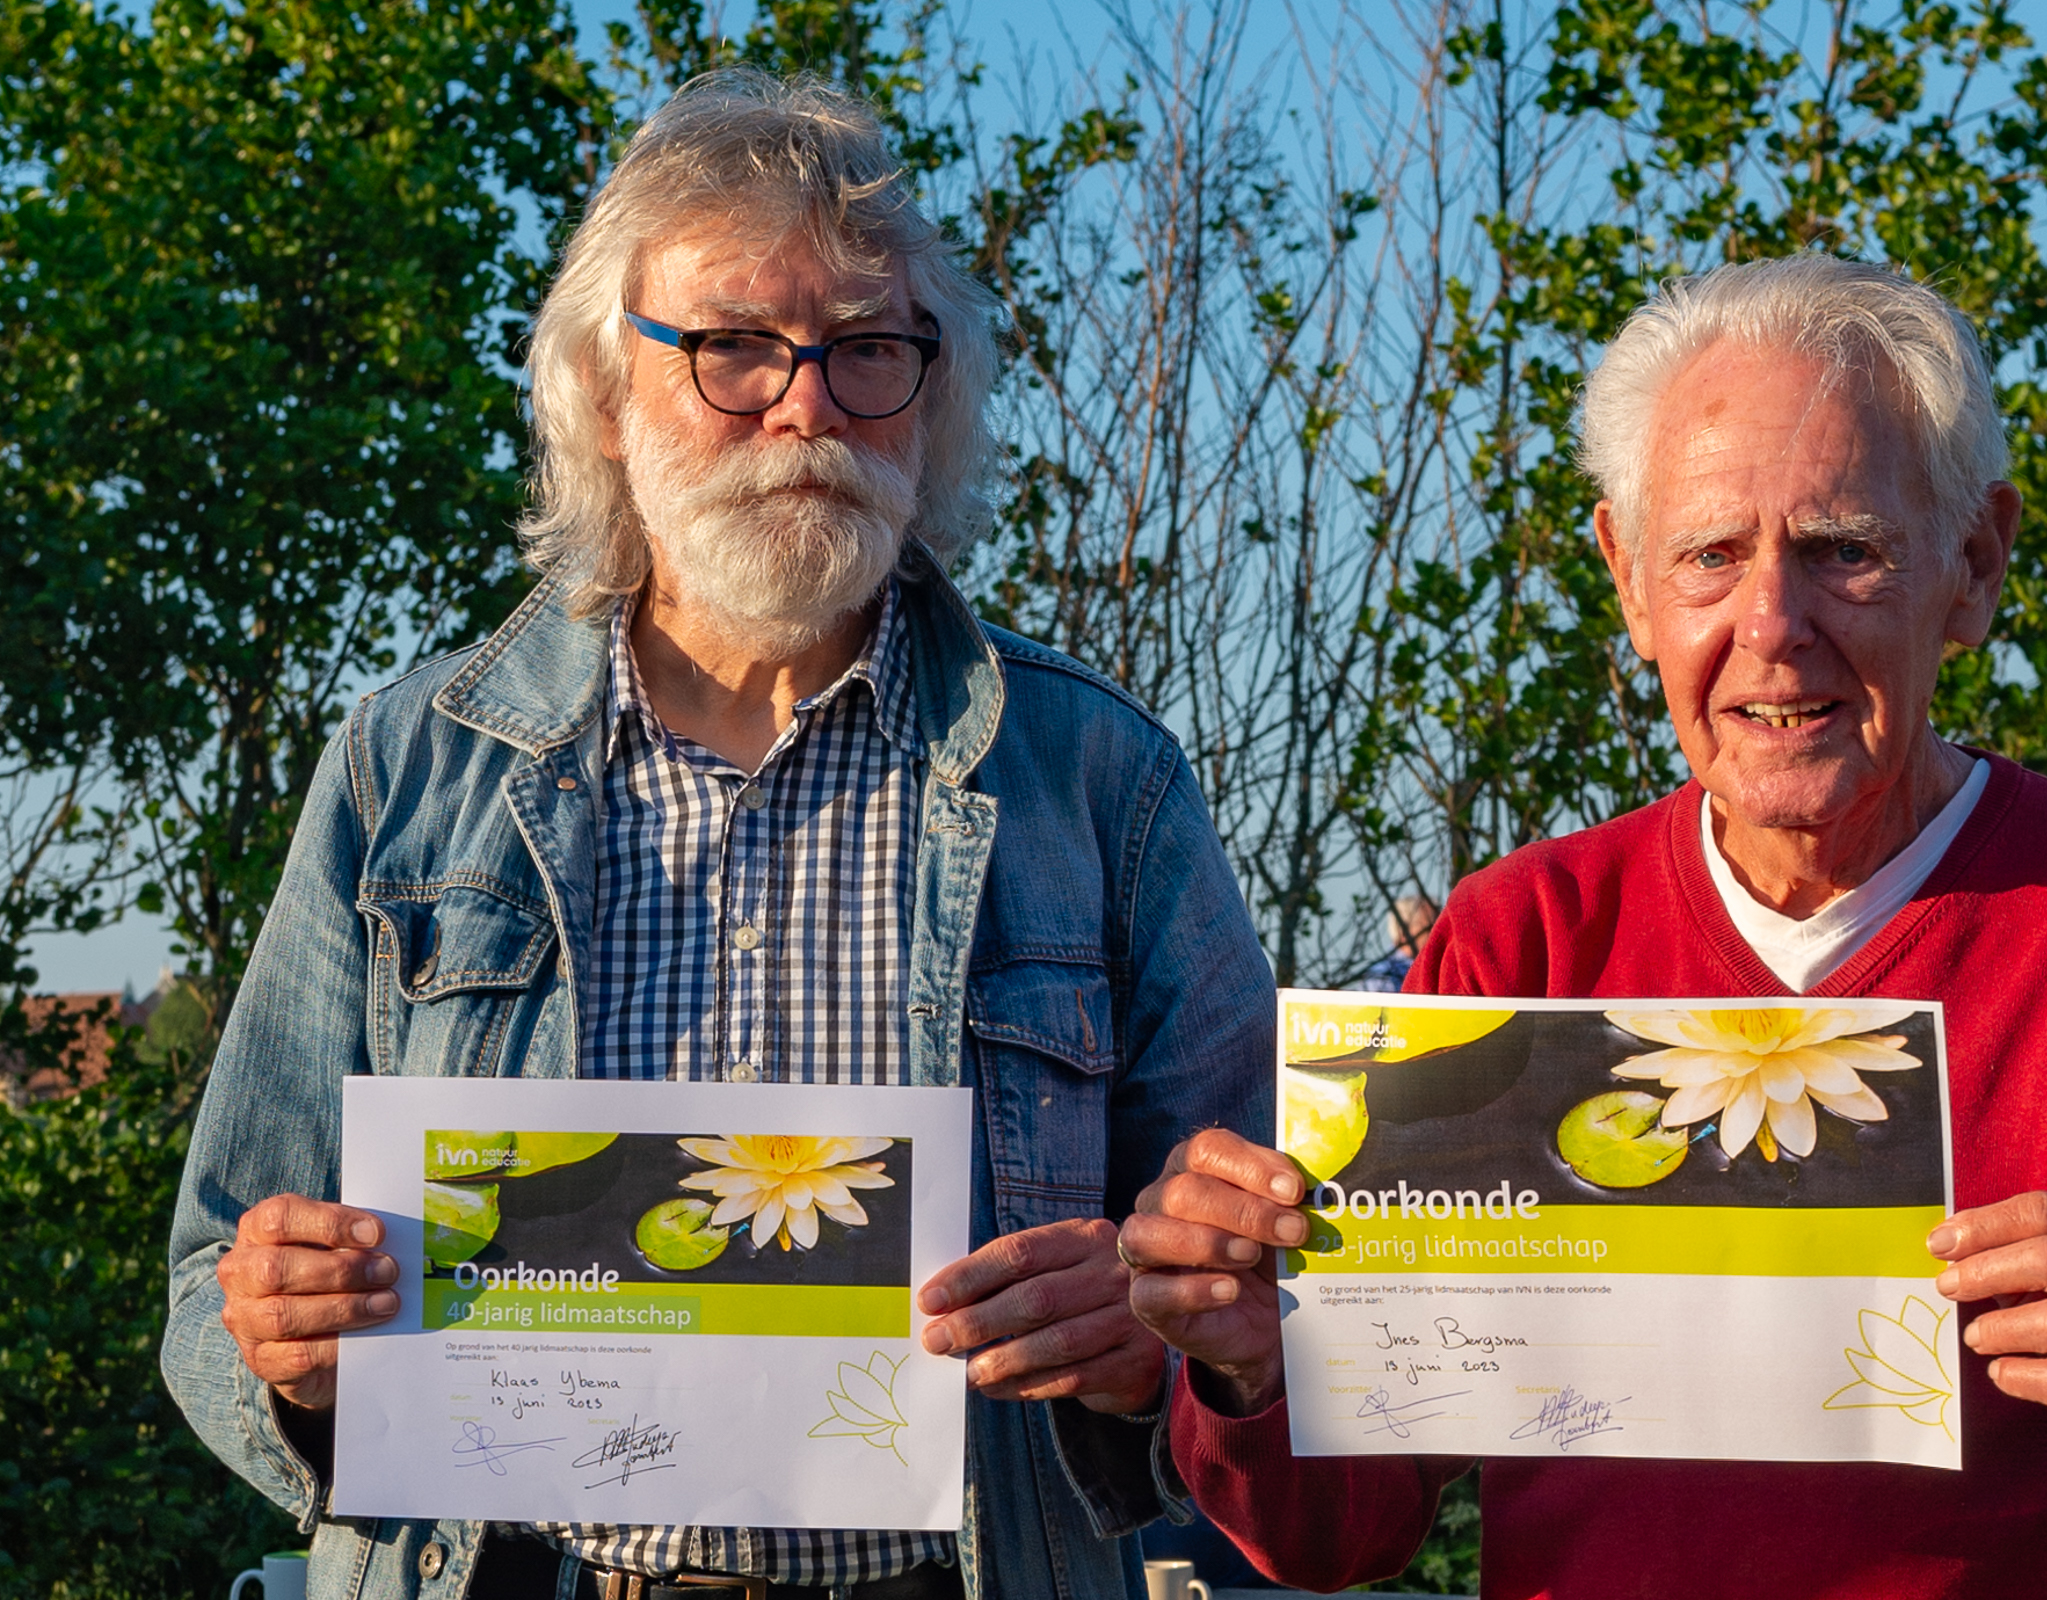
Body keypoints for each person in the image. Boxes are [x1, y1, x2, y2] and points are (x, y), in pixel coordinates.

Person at [160, 69, 1271, 1600]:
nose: (807, 405)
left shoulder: (1098, 777)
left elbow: (1272, 1307)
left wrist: (1164, 1340)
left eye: (866, 348)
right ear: (608, 399)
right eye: (736, 349)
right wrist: (289, 1359)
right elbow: (207, 1280)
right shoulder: (407, 768)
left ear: (930, 394)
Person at [1119, 254, 2047, 1598]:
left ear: (1976, 564)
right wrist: (1250, 1365)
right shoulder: (1521, 942)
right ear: (1627, 579)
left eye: (1845, 550)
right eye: (1710, 556)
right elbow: (1335, 1534)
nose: (1774, 625)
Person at [1356, 894, 1438, 992]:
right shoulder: (1382, 978)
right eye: (1430, 927)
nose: (1438, 933)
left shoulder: (1437, 970)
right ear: (1404, 932)